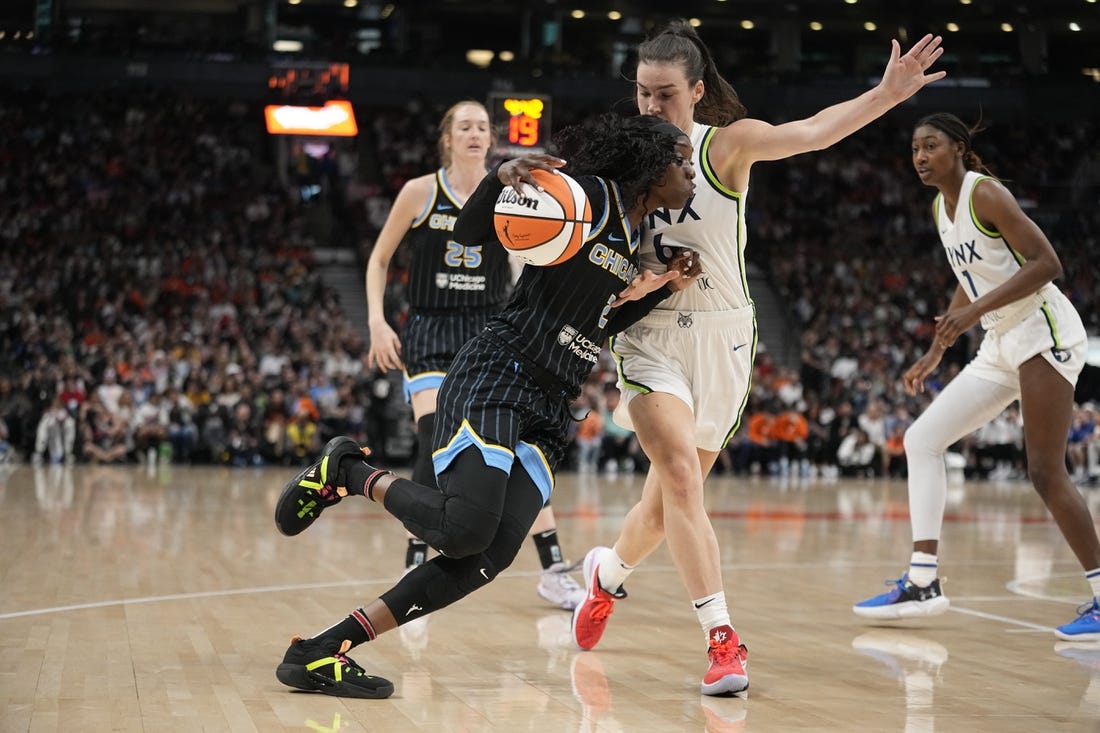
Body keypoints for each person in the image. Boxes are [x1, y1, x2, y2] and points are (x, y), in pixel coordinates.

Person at [568, 18, 946, 696]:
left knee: (663, 509)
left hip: (724, 340)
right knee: (681, 478)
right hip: (649, 336)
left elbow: (813, 130)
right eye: (643, 95)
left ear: (697, 91)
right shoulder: (618, 162)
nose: (652, 108)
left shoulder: (726, 148)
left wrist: (886, 95)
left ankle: (606, 577)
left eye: (666, 95)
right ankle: (722, 638)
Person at [272, 113, 701, 698]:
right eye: (681, 161)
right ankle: (347, 471)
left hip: (551, 407)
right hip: (502, 370)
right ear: (652, 167)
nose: (691, 171)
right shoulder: (587, 198)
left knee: (487, 556)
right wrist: (500, 179)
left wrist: (661, 289)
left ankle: (323, 651)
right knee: (464, 528)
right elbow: (468, 239)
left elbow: (598, 321)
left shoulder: (640, 238)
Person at [852, 113, 1100, 641]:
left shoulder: (985, 194)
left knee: (1045, 472)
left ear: (959, 148)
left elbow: (1047, 262)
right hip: (1000, 342)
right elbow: (971, 279)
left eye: (931, 146)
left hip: (1044, 331)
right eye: (915, 148)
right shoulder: (939, 209)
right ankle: (923, 581)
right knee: (922, 439)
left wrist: (971, 315)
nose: (920, 156)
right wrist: (938, 348)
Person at [364, 100, 585, 610]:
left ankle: (552, 568)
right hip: (430, 328)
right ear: (448, 137)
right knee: (429, 433)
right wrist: (377, 321)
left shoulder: (511, 197)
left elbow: (520, 270)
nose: (474, 133)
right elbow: (379, 259)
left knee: (513, 447)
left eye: (482, 127)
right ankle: (416, 557)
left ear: (491, 138)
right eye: (464, 126)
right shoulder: (420, 192)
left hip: (487, 329)